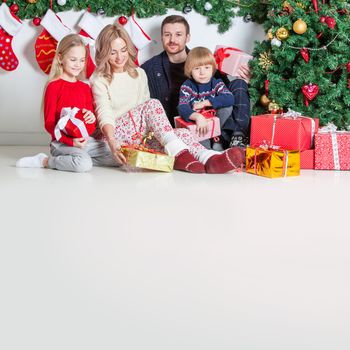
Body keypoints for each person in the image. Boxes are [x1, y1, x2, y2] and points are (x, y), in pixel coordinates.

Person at [90, 24, 244, 174]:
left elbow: (146, 116)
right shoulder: (99, 79)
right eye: (113, 52)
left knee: (183, 134)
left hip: (139, 135)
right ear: (104, 53)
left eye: (123, 50)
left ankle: (209, 159)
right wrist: (111, 140)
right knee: (153, 104)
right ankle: (177, 152)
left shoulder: (139, 73)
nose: (119, 57)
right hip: (114, 135)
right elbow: (104, 111)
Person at [141, 15, 251, 148]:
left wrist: (246, 81)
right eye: (167, 34)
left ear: (187, 37)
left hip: (215, 121)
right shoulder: (149, 68)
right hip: (184, 127)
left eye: (178, 34)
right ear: (162, 37)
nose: (172, 40)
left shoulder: (203, 60)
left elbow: (226, 93)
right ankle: (208, 149)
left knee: (239, 84)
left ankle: (237, 138)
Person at [16, 34, 117, 172]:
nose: (78, 65)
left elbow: (90, 126)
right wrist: (71, 142)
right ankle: (46, 161)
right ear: (60, 58)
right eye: (73, 59)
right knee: (83, 165)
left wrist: (91, 118)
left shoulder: (85, 87)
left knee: (116, 154)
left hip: (84, 142)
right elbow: (49, 123)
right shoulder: (53, 86)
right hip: (61, 143)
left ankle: (76, 158)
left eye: (82, 60)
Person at [177, 47, 235, 150]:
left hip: (214, 122)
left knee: (227, 107)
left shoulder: (216, 83)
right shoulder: (187, 86)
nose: (202, 72)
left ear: (213, 68)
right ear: (190, 70)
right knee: (205, 150)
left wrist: (205, 103)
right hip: (199, 126)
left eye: (207, 67)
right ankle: (207, 148)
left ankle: (216, 136)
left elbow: (229, 98)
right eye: (197, 68)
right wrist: (197, 117)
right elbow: (182, 107)